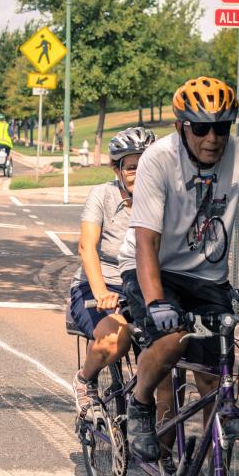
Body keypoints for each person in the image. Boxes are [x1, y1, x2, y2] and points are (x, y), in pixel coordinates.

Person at [117, 76, 239, 463]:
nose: (212, 137)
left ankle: (215, 473)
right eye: (201, 127)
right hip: (154, 267)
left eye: (222, 127)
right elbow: (147, 242)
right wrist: (157, 302)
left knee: (214, 374)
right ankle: (140, 404)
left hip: (207, 277)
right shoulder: (158, 160)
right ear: (181, 127)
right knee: (172, 338)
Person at [69, 128, 157, 416]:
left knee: (169, 360)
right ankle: (85, 380)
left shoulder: (163, 199)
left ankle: (165, 455)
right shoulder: (102, 195)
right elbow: (87, 247)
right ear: (117, 169)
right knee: (115, 338)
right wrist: (101, 293)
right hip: (101, 287)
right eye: (132, 167)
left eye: (147, 165)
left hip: (145, 287)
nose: (140, 173)